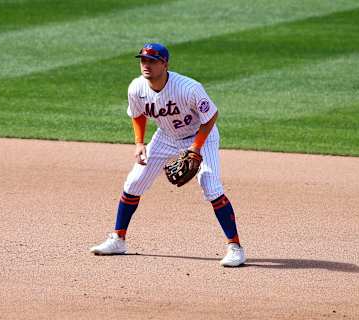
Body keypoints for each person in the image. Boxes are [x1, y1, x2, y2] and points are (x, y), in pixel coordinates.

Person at [90, 43, 246, 267]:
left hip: (200, 136)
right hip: (166, 137)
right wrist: (139, 142)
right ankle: (118, 239)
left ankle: (235, 248)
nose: (146, 65)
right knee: (135, 181)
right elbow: (137, 114)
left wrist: (196, 147)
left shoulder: (188, 88)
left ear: (165, 64)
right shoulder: (136, 88)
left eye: (152, 61)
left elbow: (211, 116)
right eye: (143, 60)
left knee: (210, 183)